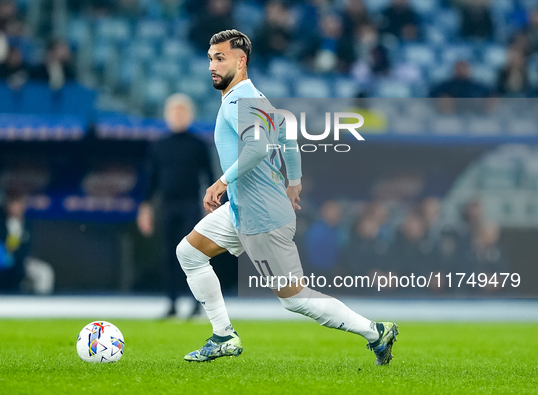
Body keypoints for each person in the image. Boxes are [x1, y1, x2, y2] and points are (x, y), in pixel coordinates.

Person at [176, 29, 398, 364]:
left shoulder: (240, 101)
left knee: (294, 299)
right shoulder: (255, 97)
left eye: (220, 58)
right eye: (210, 58)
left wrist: (221, 181)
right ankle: (223, 336)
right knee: (189, 252)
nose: (212, 65)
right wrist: (294, 179)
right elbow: (285, 135)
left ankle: (375, 331)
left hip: (261, 217)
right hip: (242, 209)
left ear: (241, 60)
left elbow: (260, 146)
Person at [137, 93, 214, 318]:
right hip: (167, 206)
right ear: (166, 115)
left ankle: (198, 303)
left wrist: (212, 208)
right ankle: (171, 303)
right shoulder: (159, 145)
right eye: (174, 111)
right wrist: (145, 208)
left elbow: (209, 178)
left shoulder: (199, 145)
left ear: (190, 115)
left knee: (194, 256)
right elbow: (150, 181)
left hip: (191, 205)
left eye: (182, 111)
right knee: (169, 255)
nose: (178, 116)